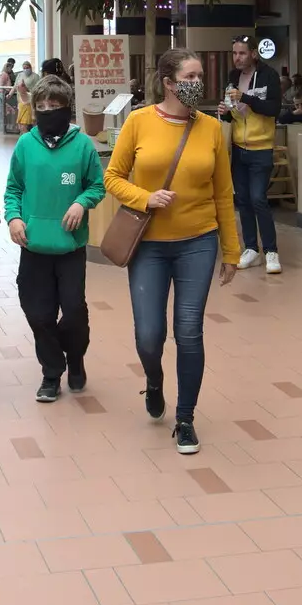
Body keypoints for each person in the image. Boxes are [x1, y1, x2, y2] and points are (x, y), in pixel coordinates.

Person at [103, 48, 240, 456]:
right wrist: (145, 198)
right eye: (191, 75)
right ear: (169, 82)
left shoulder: (213, 128)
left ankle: (185, 419)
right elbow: (112, 176)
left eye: (200, 75)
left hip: (198, 241)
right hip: (148, 246)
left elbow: (224, 193)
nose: (199, 82)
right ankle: (155, 378)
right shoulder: (139, 122)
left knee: (189, 331)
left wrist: (231, 251)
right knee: (149, 335)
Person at [6, 75, 104, 405]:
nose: (47, 111)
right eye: (41, 106)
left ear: (66, 107)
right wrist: (14, 217)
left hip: (70, 246)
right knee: (38, 313)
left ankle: (74, 357)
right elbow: (13, 189)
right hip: (33, 245)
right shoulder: (26, 145)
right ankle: (51, 373)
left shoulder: (83, 145)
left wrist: (81, 202)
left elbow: (97, 185)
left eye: (54, 106)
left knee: (74, 310)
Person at [218, 35, 283, 274]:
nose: (237, 58)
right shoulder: (232, 77)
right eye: (235, 53)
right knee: (243, 199)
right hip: (238, 148)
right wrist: (224, 111)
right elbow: (231, 113)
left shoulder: (268, 76)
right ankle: (251, 248)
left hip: (261, 147)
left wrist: (245, 98)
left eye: (242, 53)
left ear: (254, 54)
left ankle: (272, 251)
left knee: (258, 198)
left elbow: (273, 109)